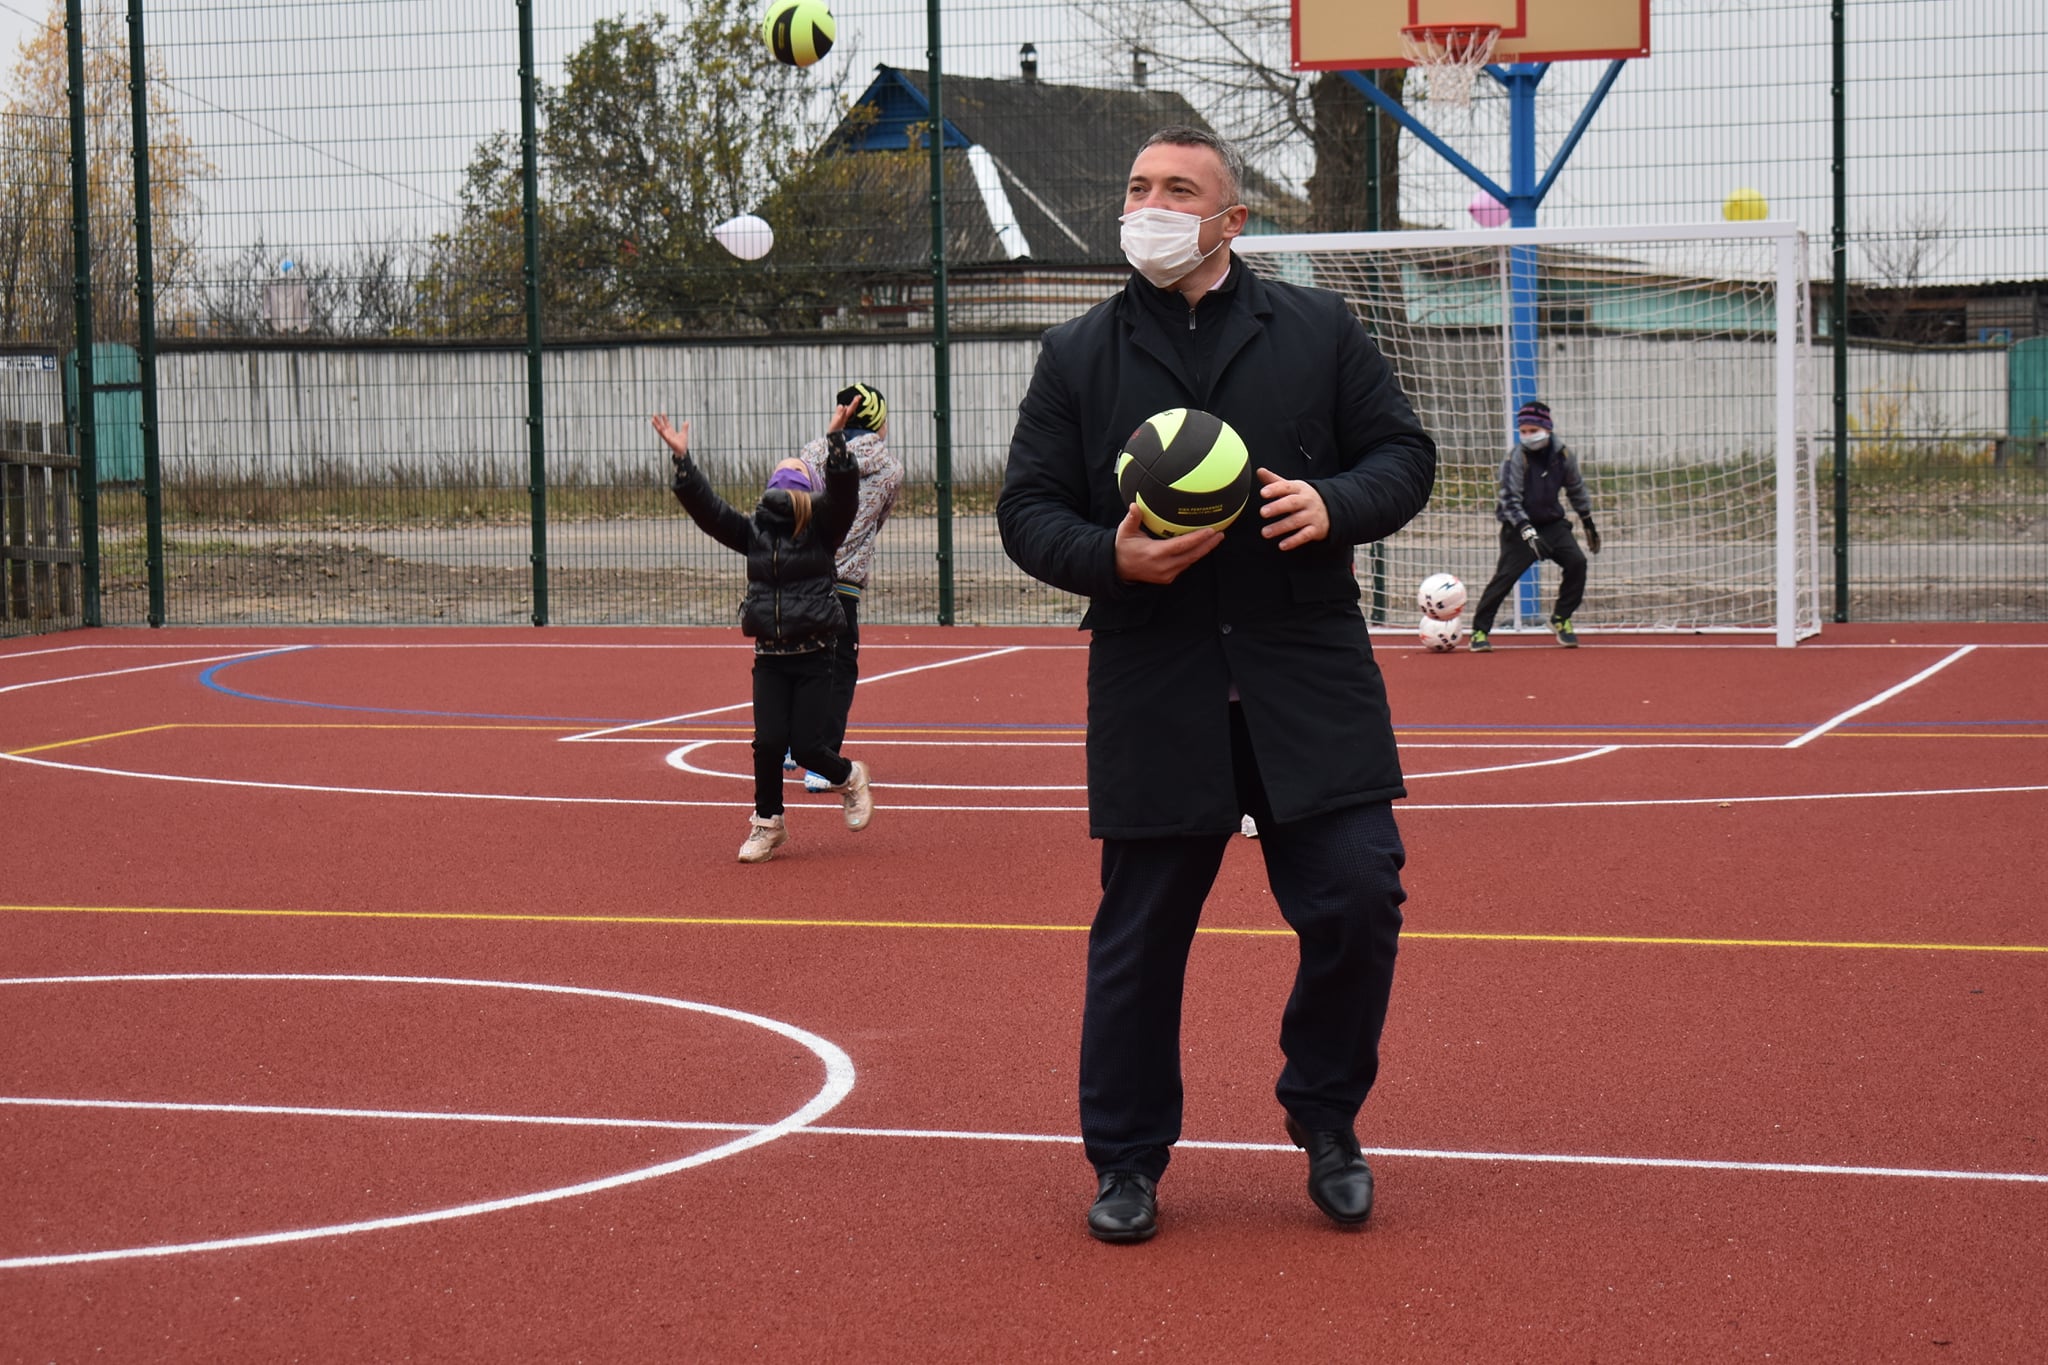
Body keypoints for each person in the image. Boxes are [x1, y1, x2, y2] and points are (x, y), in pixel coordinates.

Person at [996, 126, 1437, 1243]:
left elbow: (1402, 455)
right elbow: (1027, 511)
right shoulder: (1076, 356)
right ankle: (1127, 1162)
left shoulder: (1316, 329)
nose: (1148, 202)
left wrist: (1334, 503)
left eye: (1177, 189)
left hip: (1304, 668)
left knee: (1356, 897)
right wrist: (1112, 557)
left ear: (1228, 221)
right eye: (1137, 184)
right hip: (1154, 675)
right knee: (1139, 934)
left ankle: (1325, 1117)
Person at [654, 406, 876, 863]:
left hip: (816, 653)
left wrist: (836, 444)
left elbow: (846, 495)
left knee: (811, 748)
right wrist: (683, 464)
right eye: (783, 471)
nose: (787, 472)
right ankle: (768, 823)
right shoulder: (755, 533)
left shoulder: (822, 531)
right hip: (771, 656)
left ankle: (850, 776)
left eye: (796, 471)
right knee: (769, 742)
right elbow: (710, 512)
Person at [791, 383, 903, 794]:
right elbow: (878, 520)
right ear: (877, 420)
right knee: (840, 669)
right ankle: (823, 761)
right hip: (845, 583)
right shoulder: (890, 469)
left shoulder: (810, 454)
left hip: (802, 573)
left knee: (798, 659)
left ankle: (790, 742)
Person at [1467, 400, 1601, 651]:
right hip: (1518, 528)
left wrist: (1587, 521)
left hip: (1552, 524)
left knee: (1577, 563)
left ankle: (1561, 618)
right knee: (1505, 578)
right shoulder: (1515, 459)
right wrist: (1526, 531)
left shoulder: (1563, 455)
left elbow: (1576, 488)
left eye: (1533, 430)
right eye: (1524, 431)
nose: (1528, 436)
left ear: (1547, 428)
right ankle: (1479, 631)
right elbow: (1509, 499)